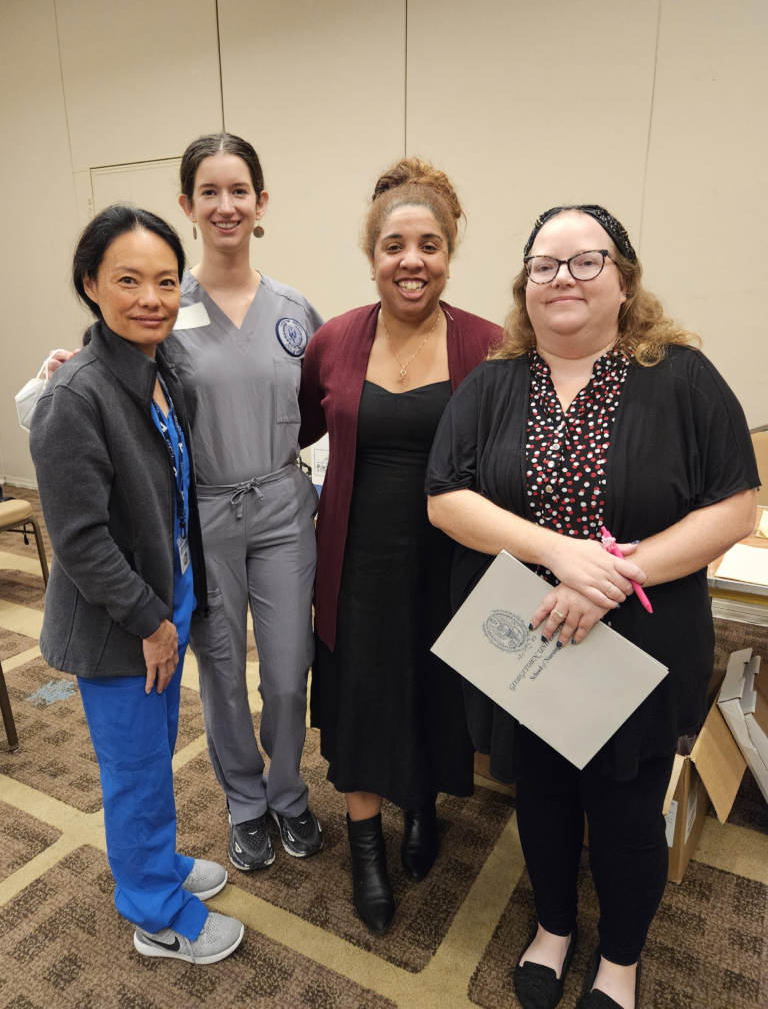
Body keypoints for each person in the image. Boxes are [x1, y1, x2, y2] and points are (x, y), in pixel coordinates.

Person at [425, 205, 758, 1009]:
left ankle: (621, 956)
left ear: (624, 280)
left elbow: (735, 507)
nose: (562, 279)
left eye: (585, 262)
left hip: (640, 639)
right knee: (540, 797)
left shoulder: (679, 375)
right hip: (528, 643)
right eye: (545, 265)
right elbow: (446, 498)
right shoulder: (496, 383)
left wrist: (613, 573)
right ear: (525, 285)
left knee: (626, 811)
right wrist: (558, 553)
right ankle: (552, 927)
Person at [42, 133, 324, 873]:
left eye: (240, 191)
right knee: (221, 668)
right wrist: (63, 363)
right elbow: (116, 373)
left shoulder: (296, 308)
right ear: (187, 204)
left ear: (262, 203)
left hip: (284, 506)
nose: (226, 205)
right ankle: (247, 804)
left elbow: (322, 405)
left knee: (290, 670)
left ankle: (290, 791)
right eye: (210, 192)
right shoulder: (166, 302)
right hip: (201, 517)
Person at [30, 205, 244, 964]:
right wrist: (152, 621)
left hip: (167, 593)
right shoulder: (76, 399)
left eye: (163, 280)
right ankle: (155, 912)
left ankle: (161, 864)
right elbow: (82, 542)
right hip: (120, 617)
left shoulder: (161, 369)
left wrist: (175, 605)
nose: (150, 297)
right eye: (128, 280)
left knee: (156, 748)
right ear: (91, 284)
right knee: (135, 769)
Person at [299, 159, 502, 934]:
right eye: (394, 246)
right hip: (355, 562)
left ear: (449, 254)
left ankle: (422, 811)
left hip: (450, 565)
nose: (411, 261)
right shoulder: (334, 341)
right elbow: (288, 428)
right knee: (363, 699)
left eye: (429, 245)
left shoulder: (488, 345)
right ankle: (366, 851)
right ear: (371, 254)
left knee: (432, 692)